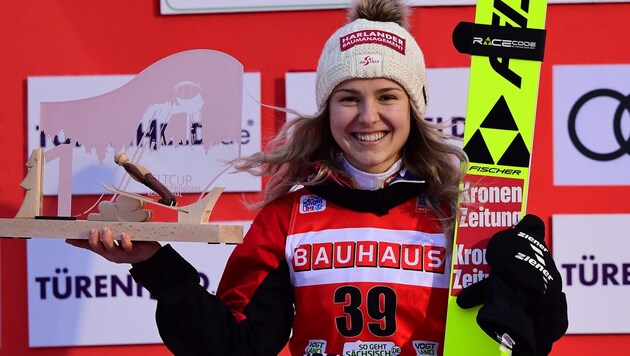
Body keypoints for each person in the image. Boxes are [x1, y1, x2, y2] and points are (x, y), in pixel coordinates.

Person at [67, 0, 567, 354]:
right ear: (326, 113)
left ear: (413, 110)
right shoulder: (288, 219)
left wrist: (540, 300)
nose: (368, 116)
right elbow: (235, 346)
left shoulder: (460, 212)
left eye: (388, 96)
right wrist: (156, 265)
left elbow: (526, 335)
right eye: (349, 98)